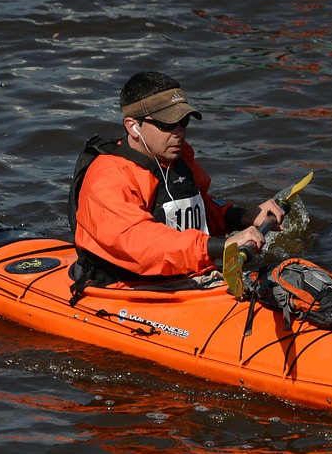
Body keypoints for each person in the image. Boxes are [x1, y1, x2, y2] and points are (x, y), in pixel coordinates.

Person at [69, 71, 286, 292]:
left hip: (182, 275)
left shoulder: (176, 158)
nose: (179, 133)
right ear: (133, 126)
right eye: (167, 125)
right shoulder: (108, 179)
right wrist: (219, 246)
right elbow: (141, 242)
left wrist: (243, 217)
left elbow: (195, 207)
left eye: (183, 122)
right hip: (126, 287)